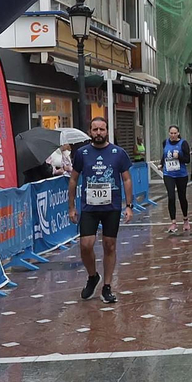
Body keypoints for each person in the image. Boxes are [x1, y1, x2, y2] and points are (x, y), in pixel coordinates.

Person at [67, 116, 133, 304]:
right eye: (95, 130)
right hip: (89, 207)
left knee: (109, 245)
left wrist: (128, 206)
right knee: (86, 245)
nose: (98, 133)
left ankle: (107, 286)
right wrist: (71, 207)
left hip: (111, 207)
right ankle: (92, 276)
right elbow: (73, 179)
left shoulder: (118, 153)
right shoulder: (82, 153)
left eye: (101, 129)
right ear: (90, 132)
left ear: (107, 131)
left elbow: (127, 179)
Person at [160, 125, 191, 234]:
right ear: (169, 133)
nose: (173, 135)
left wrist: (179, 157)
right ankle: (173, 222)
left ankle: (185, 219)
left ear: (178, 133)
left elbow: (188, 160)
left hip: (181, 174)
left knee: (182, 197)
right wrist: (161, 164)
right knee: (171, 196)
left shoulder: (183, 143)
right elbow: (164, 155)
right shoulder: (165, 142)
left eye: (175, 133)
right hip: (168, 174)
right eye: (171, 133)